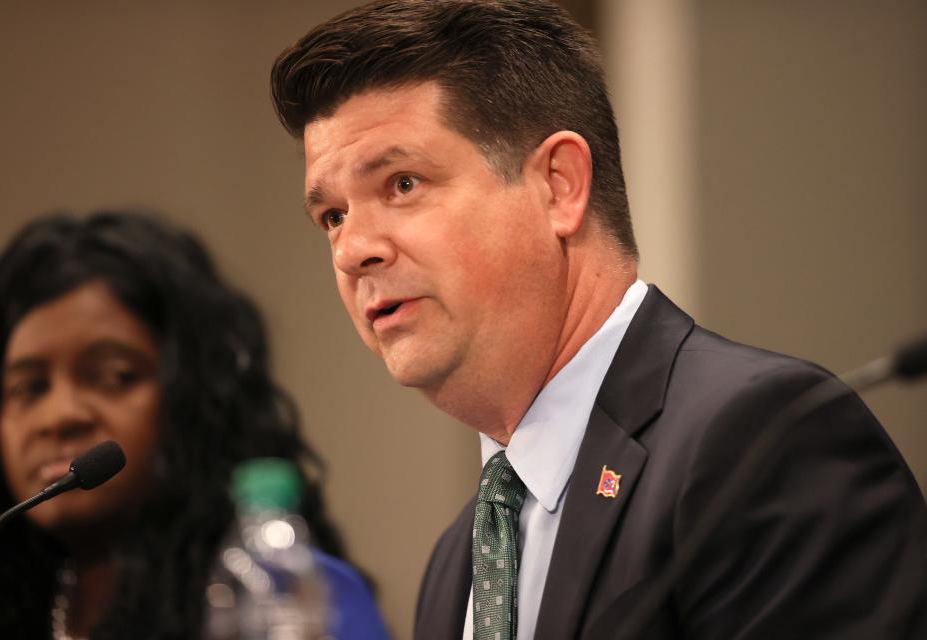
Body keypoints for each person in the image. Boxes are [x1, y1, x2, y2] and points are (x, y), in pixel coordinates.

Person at [270, 1, 927, 638]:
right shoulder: (457, 561)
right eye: (332, 217)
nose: (355, 250)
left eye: (402, 184)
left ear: (559, 185)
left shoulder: (762, 442)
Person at [0, 211, 388, 639]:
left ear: (195, 398)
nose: (59, 416)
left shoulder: (284, 595)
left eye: (115, 376)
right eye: (29, 387)